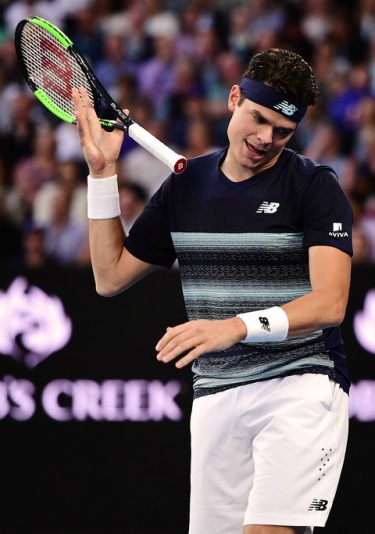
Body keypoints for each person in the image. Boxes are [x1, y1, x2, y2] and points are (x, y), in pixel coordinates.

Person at [72, 48, 352, 534]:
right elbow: (109, 276)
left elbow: (331, 303)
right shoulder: (185, 186)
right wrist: (102, 175)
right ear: (234, 98)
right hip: (216, 395)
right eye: (258, 119)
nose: (265, 139)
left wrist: (235, 327)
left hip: (300, 385)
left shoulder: (314, 186)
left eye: (282, 132)